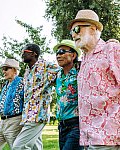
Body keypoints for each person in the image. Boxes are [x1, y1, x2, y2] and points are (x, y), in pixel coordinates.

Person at [69, 9, 120, 150]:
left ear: (92, 29)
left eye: (77, 29)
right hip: (88, 136)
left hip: (109, 135)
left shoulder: (112, 49)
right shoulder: (84, 58)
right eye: (72, 31)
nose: (74, 34)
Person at [12, 43, 59, 150]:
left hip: (38, 114)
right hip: (28, 115)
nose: (21, 55)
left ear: (34, 54)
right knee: (35, 148)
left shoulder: (46, 66)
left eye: (24, 52)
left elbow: (64, 70)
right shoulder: (27, 70)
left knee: (18, 147)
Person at [0, 58, 24, 150]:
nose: (3, 71)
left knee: (16, 148)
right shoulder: (6, 84)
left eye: (6, 69)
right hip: (2, 123)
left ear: (14, 70)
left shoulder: (22, 82)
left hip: (15, 122)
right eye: (3, 69)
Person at [53, 39, 83, 150]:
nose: (58, 55)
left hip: (76, 124)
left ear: (73, 55)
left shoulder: (81, 70)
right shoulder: (58, 75)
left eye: (62, 52)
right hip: (62, 126)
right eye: (57, 53)